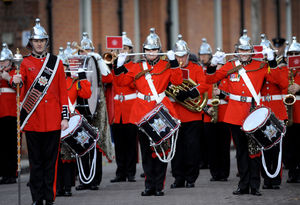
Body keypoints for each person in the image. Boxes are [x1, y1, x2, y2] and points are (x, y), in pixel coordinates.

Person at [205, 29, 285, 196]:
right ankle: (243, 185)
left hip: (253, 112)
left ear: (251, 52)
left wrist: (272, 62)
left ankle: (255, 185)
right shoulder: (230, 65)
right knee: (241, 151)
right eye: (241, 50)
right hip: (235, 114)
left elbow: (281, 81)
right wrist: (212, 64)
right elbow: (210, 80)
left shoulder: (261, 65)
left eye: (246, 50)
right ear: (237, 50)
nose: (243, 53)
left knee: (254, 151)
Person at [115, 28, 183, 196]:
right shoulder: (138, 66)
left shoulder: (165, 65)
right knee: (146, 150)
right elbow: (123, 81)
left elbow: (177, 80)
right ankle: (149, 186)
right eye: (148, 50)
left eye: (154, 50)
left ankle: (159, 186)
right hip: (141, 110)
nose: (151, 53)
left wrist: (174, 62)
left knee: (161, 149)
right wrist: (119, 65)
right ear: (144, 50)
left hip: (160, 109)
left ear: (159, 51)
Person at [12, 18, 69, 205]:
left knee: (51, 163)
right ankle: (37, 198)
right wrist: (16, 79)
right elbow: (17, 81)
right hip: (34, 121)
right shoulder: (25, 62)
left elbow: (63, 91)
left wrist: (64, 117)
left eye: (42, 41)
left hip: (53, 120)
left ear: (46, 42)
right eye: (36, 41)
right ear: (31, 43)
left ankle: (49, 197)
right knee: (36, 163)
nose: (39, 44)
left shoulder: (56, 63)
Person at [169, 35, 209, 188]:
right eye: (178, 56)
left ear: (187, 55)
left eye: (183, 56)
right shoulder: (170, 68)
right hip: (175, 114)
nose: (180, 59)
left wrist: (191, 93)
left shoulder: (196, 68)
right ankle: (178, 178)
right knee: (177, 149)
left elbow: (204, 85)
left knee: (192, 148)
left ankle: (191, 178)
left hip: (192, 116)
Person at [75, 32, 113, 191]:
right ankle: (84, 179)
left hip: (97, 106)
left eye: (87, 51)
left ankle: (95, 180)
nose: (84, 54)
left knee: (95, 142)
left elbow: (108, 78)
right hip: (80, 106)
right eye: (82, 51)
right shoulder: (75, 64)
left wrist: (98, 60)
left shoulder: (97, 62)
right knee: (82, 142)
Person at [56, 47, 92, 197]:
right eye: (63, 67)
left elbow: (86, 93)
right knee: (57, 155)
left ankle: (68, 186)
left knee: (69, 155)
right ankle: (58, 187)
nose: (64, 69)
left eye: (66, 66)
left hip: (71, 118)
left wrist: (82, 76)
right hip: (56, 118)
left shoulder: (74, 81)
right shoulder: (54, 81)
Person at [259, 34, 288, 189]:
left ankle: (275, 178)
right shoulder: (257, 67)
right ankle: (266, 178)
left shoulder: (280, 66)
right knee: (264, 147)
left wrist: (271, 64)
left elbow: (282, 83)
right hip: (262, 111)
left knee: (277, 148)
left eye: (266, 54)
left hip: (276, 111)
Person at [199, 39, 231, 182]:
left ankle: (224, 173)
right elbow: (199, 95)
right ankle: (214, 173)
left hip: (224, 115)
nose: (218, 67)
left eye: (220, 65)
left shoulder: (228, 78)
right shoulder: (207, 77)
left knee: (224, 146)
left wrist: (222, 94)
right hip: (209, 114)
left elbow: (234, 97)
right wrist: (206, 109)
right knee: (211, 146)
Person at [110, 32, 138, 183]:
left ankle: (131, 172)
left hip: (130, 109)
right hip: (118, 110)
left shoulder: (134, 66)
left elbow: (127, 82)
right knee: (119, 144)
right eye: (120, 49)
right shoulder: (114, 65)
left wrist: (120, 68)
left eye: (125, 48)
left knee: (130, 143)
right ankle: (120, 172)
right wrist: (111, 65)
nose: (122, 51)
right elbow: (108, 79)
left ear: (130, 51)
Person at [0, 43, 17, 185]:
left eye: (4, 61)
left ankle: (11, 173)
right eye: (1, 61)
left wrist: (7, 78)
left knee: (11, 144)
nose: (2, 64)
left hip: (11, 113)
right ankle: (3, 172)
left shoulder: (14, 72)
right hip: (1, 113)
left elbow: (19, 87)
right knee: (2, 145)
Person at [283, 36, 300, 183]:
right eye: (291, 54)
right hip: (289, 112)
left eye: (296, 54)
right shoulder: (285, 70)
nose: (293, 57)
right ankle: (292, 173)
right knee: (290, 144)